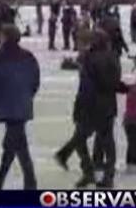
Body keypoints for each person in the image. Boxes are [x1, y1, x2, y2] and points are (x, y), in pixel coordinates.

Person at [54, 29, 127, 188]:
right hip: (107, 106)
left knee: (80, 140)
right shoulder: (113, 57)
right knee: (108, 143)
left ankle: (88, 171)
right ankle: (108, 176)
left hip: (89, 106)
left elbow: (87, 86)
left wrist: (79, 107)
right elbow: (113, 83)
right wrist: (126, 88)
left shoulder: (88, 58)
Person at [0, 25, 40, 189]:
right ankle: (24, 181)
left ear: (5, 37)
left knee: (13, 144)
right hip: (21, 103)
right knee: (17, 143)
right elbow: (35, 80)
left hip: (7, 106)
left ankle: (2, 180)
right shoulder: (28, 56)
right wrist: (27, 96)